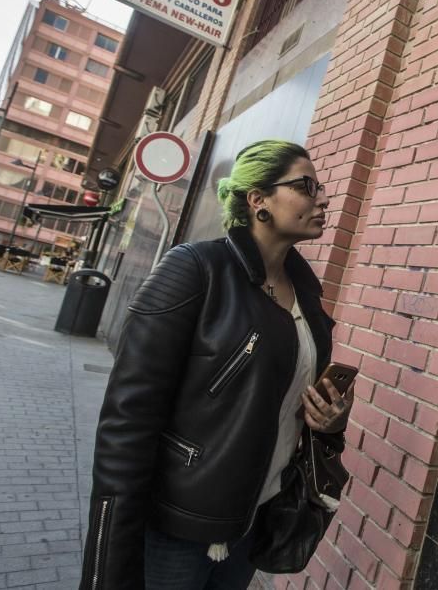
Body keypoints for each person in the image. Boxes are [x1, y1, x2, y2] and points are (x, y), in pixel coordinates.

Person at [80, 140, 353, 589]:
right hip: (178, 528)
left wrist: (329, 421)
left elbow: (281, 402)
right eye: (307, 186)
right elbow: (128, 418)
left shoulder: (308, 296)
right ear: (258, 199)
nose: (322, 198)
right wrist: (115, 538)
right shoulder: (196, 270)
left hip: (253, 520)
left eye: (320, 187)